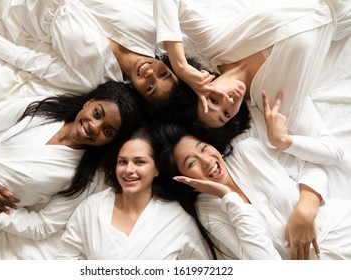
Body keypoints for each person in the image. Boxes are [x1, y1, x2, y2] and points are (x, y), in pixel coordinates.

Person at [153, 0, 350, 165]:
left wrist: (181, 67)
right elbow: (335, 153)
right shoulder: (276, 102)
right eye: (227, 114)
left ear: (200, 85)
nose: (228, 101)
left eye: (213, 100)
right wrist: (283, 141)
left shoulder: (216, 45)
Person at [0, 81, 143, 249]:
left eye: (107, 131)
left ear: (111, 141)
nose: (95, 127)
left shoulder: (82, 179)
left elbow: (42, 226)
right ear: (89, 102)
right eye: (97, 113)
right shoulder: (45, 109)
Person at [152, 123, 351, 260]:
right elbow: (264, 264)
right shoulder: (208, 210)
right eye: (192, 162)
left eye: (203, 148)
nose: (206, 161)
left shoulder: (247, 150)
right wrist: (229, 197)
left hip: (340, 228)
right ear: (183, 179)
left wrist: (306, 211)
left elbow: (310, 167)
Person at [0, 0, 178, 103]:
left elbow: (29, 61)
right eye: (163, 74)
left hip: (15, 6)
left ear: (139, 94)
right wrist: (184, 68)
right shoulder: (149, 32)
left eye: (150, 87)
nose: (150, 74)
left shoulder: (92, 79)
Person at [56, 126, 211, 260]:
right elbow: (66, 257)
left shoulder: (178, 219)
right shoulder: (91, 208)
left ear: (156, 169)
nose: (129, 170)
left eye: (140, 162)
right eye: (122, 162)